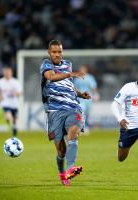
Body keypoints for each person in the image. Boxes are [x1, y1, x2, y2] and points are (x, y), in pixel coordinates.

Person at [40, 40, 91, 186]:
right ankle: (62, 174)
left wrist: (80, 94)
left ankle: (71, 168)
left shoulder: (67, 64)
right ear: (49, 53)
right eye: (54, 52)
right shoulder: (46, 64)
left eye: (60, 52)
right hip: (54, 111)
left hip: (72, 107)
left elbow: (68, 85)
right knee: (61, 150)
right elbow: (51, 77)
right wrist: (71, 74)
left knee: (73, 132)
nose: (57, 54)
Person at [0, 66, 22, 137]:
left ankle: (14, 129)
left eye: (8, 72)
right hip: (5, 103)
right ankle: (10, 122)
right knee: (8, 116)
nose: (7, 74)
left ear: (11, 73)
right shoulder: (0, 82)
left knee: (14, 119)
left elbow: (20, 92)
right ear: (4, 73)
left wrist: (15, 94)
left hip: (14, 103)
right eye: (6, 72)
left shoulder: (15, 82)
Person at [73, 65, 100, 134]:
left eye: (83, 69)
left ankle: (86, 126)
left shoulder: (90, 78)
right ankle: (81, 126)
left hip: (88, 98)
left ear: (86, 70)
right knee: (82, 111)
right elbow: (75, 88)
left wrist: (96, 94)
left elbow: (93, 87)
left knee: (87, 113)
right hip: (80, 98)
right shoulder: (77, 78)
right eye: (81, 69)